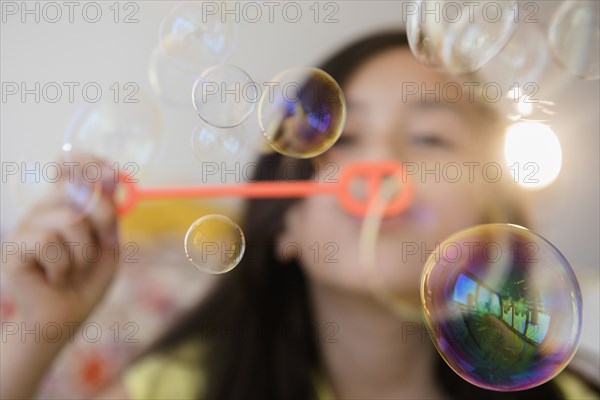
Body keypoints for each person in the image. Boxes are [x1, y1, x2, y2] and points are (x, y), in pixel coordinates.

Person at [2, 31, 599, 400]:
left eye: (430, 138)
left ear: (494, 223)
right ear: (286, 224)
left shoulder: (564, 394)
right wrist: (35, 333)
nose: (383, 164)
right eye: (347, 136)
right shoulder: (185, 388)